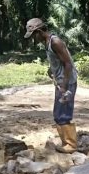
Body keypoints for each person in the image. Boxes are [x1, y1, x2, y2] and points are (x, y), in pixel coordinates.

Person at [24, 18, 79, 153]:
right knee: (58, 113)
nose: (34, 39)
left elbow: (67, 64)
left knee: (63, 113)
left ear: (39, 31)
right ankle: (66, 142)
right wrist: (52, 69)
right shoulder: (47, 42)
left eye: (34, 36)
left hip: (67, 82)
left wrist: (65, 85)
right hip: (60, 81)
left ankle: (70, 145)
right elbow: (59, 61)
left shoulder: (55, 42)